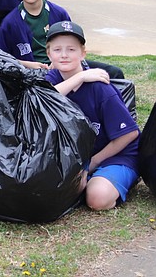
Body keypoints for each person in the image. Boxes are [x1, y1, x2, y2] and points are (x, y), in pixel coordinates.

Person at [44, 21, 139, 211]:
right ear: (49, 54)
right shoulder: (51, 80)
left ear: (83, 53)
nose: (64, 55)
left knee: (97, 198)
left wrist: (92, 164)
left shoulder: (101, 88)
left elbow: (129, 134)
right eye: (57, 49)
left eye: (71, 49)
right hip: (77, 157)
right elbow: (44, 99)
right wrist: (78, 78)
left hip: (114, 155)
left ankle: (117, 181)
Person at [0, 0, 124, 78]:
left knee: (114, 73)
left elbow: (74, 44)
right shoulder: (10, 22)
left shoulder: (59, 13)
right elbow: (0, 59)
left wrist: (59, 62)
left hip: (65, 64)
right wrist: (28, 64)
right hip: (34, 73)